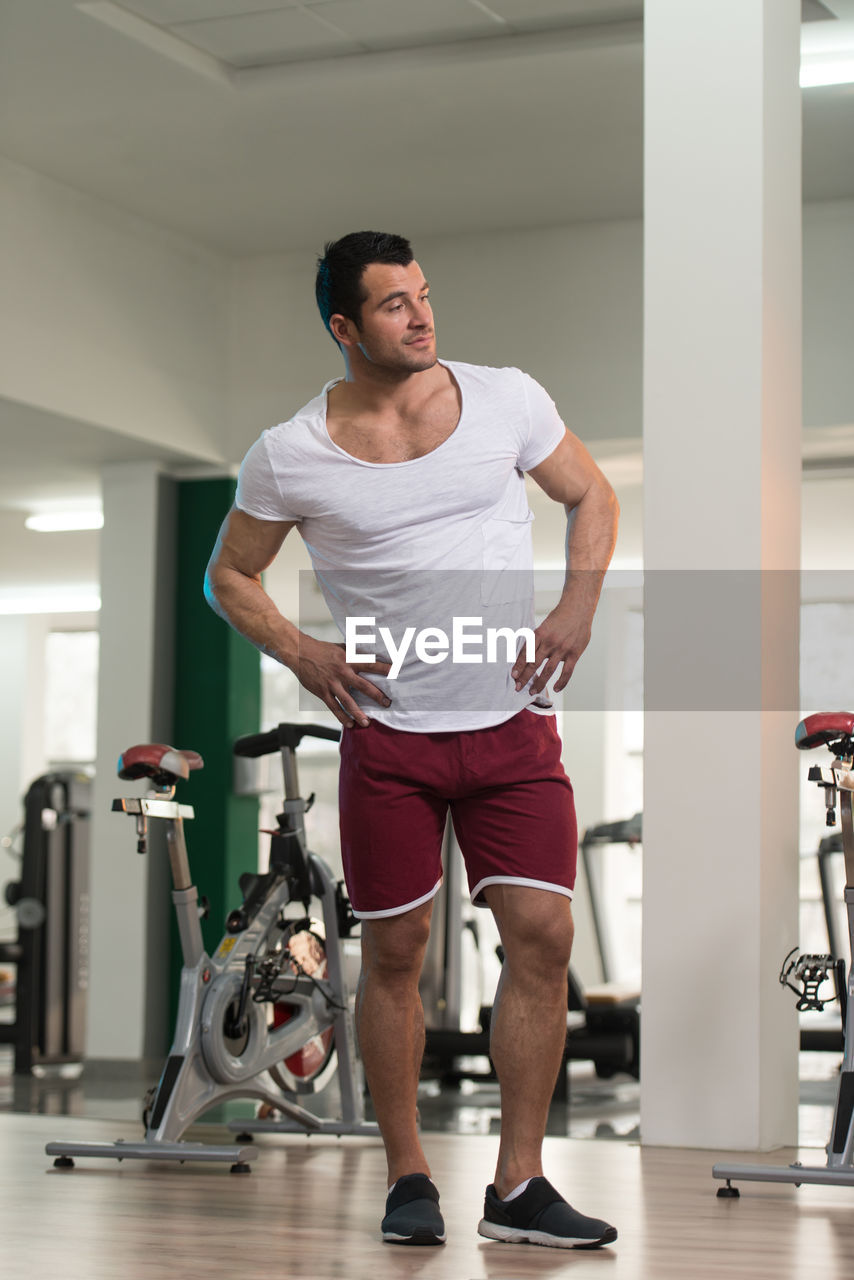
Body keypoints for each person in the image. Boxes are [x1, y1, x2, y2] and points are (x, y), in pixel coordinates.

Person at [205, 231, 620, 1250]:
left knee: (544, 939)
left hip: (511, 725)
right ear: (345, 327)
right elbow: (230, 573)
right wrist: (303, 653)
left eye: (424, 295)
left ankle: (518, 1182)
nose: (421, 315)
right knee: (395, 950)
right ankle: (408, 1177)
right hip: (388, 736)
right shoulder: (289, 450)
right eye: (393, 304)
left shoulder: (505, 400)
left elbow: (589, 495)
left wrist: (574, 607)